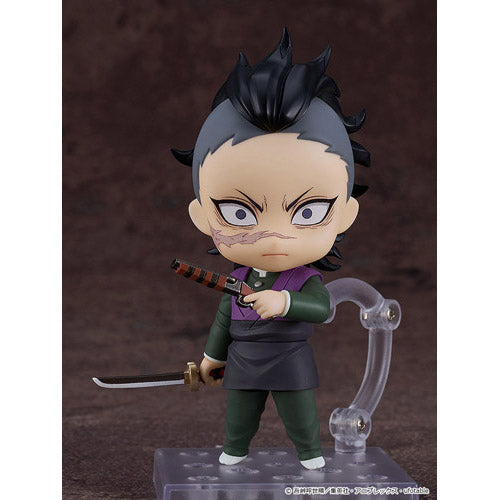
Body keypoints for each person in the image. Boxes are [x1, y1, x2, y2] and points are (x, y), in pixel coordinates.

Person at [172, 28, 370, 470]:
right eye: (239, 212)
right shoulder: (237, 280)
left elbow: (321, 308)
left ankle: (311, 454)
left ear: (344, 214)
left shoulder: (304, 278)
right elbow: (224, 319)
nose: (274, 237)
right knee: (239, 414)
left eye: (309, 211)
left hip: (289, 355)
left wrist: (285, 302)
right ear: (202, 216)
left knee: (299, 412)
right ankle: (235, 449)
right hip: (243, 358)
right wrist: (210, 358)